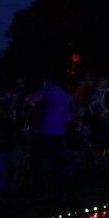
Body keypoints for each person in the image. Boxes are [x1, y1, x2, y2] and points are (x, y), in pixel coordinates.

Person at [24, 71, 73, 202]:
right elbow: (67, 116)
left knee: (35, 160)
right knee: (55, 163)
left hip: (45, 131)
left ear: (48, 79)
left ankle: (40, 190)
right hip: (59, 132)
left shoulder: (47, 90)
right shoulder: (63, 94)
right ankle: (58, 192)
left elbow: (30, 99)